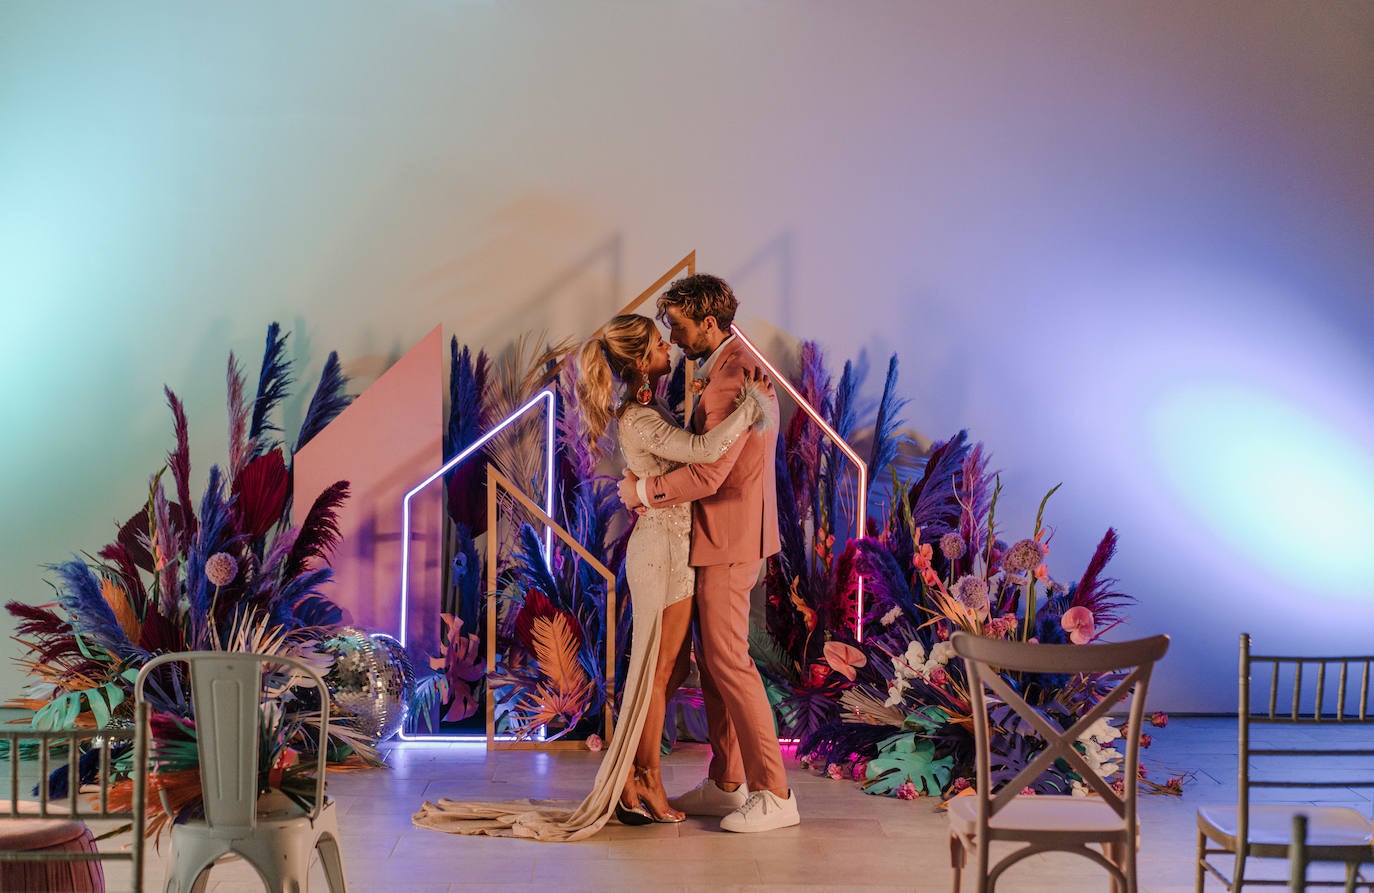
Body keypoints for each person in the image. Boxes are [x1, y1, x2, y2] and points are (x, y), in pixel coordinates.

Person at [412, 313, 772, 841]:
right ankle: (643, 778)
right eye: (656, 344)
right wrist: (748, 412)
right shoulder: (639, 418)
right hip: (663, 556)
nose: (668, 346)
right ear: (641, 364)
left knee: (666, 672)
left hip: (674, 548)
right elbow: (701, 453)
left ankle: (638, 775)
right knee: (659, 669)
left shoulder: (649, 410)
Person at [618, 273, 800, 833]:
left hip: (725, 538)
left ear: (710, 322)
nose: (673, 338)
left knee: (728, 662)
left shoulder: (727, 378)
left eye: (677, 325)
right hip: (730, 537)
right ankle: (728, 782)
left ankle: (775, 792)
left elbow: (712, 469)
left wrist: (644, 492)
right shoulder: (727, 365)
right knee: (717, 664)